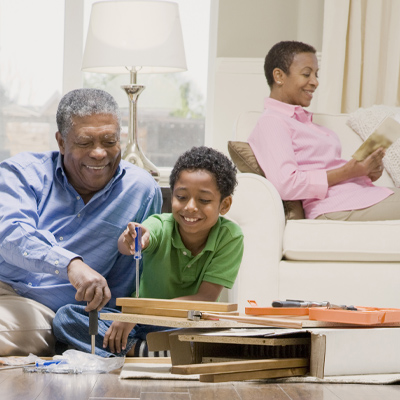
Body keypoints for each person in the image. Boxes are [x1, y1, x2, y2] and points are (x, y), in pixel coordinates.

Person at [0, 88, 162, 356]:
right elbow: (10, 235)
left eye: (109, 141)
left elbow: (132, 279)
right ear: (61, 142)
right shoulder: (22, 173)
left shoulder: (140, 191)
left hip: (41, 309)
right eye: (85, 142)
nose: (99, 153)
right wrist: (70, 265)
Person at [52, 146, 244, 357]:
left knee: (212, 335)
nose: (190, 207)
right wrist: (133, 238)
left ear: (224, 205)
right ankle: (145, 350)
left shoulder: (230, 237)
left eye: (204, 200)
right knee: (66, 317)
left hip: (184, 323)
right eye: (181, 197)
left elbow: (205, 299)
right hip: (136, 322)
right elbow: (135, 241)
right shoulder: (160, 224)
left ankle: (134, 350)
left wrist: (141, 312)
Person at [248, 40, 400, 221]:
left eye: (316, 74)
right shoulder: (271, 122)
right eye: (306, 74)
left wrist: (368, 170)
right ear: (279, 76)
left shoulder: (305, 122)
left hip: (359, 196)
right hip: (336, 206)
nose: (315, 82)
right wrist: (348, 171)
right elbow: (286, 184)